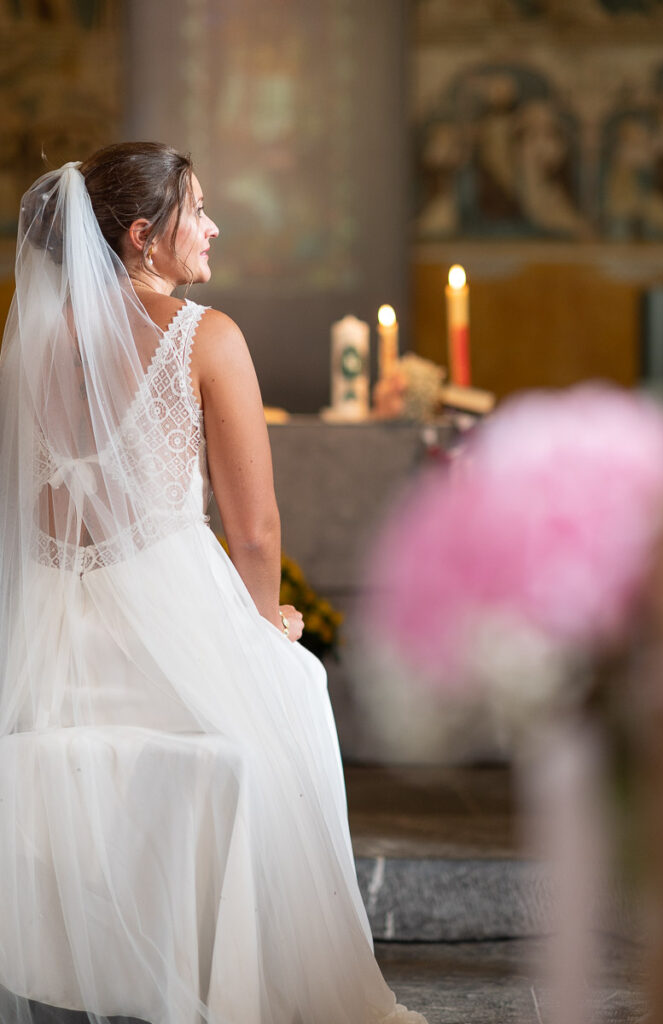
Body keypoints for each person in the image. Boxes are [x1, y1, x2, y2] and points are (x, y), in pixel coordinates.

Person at [0, 143, 428, 1024]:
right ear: (142, 236)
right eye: (197, 212)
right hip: (165, 632)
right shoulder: (206, 334)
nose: (213, 227)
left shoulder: (29, 350)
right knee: (298, 688)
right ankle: (259, 981)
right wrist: (260, 624)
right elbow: (256, 526)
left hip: (52, 643)